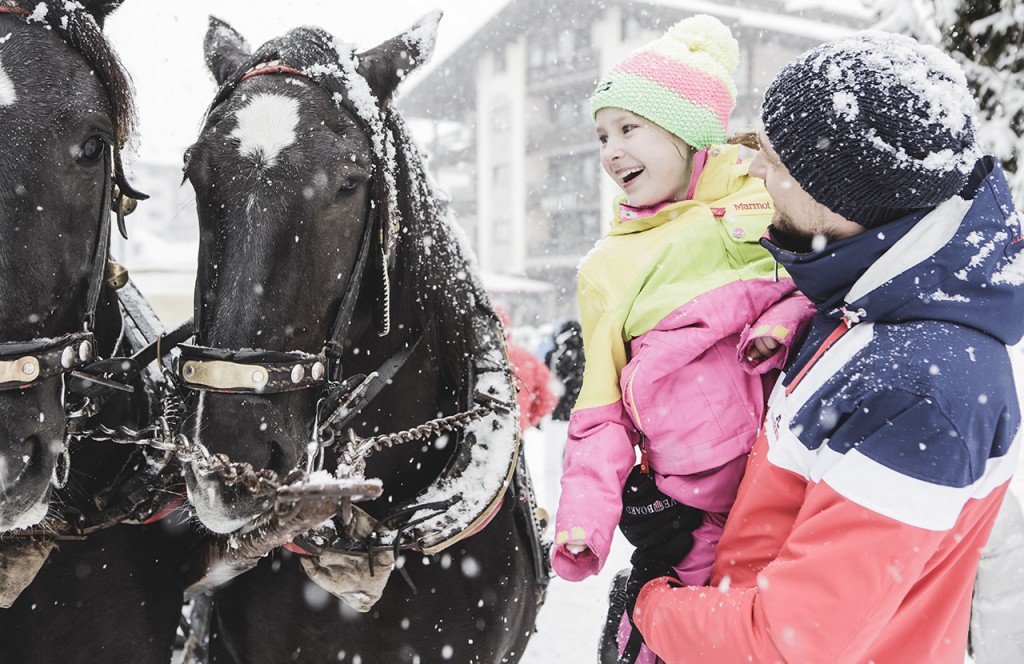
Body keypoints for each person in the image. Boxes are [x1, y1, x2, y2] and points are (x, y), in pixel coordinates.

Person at [629, 32, 1024, 664]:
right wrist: (686, 513)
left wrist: (653, 601)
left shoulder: (920, 384)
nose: (754, 169)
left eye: (779, 163)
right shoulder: (859, 307)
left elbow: (787, 645)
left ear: (845, 198)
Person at [549, 14, 814, 661]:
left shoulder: (765, 203)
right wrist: (586, 514)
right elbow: (599, 411)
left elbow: (825, 288)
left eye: (629, 127)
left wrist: (779, 325)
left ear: (688, 133)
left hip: (793, 489)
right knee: (668, 641)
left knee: (786, 636)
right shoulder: (609, 267)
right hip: (689, 512)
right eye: (602, 134)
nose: (610, 149)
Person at [496, 304, 558, 431]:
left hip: (479, 433)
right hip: (516, 428)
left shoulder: (474, 357)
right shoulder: (526, 358)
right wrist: (529, 417)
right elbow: (549, 394)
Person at [544, 319, 584, 421]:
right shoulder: (587, 351)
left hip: (559, 409)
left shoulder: (555, 353)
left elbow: (545, 380)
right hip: (583, 409)